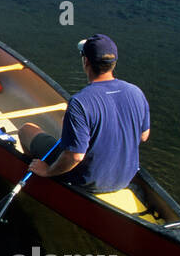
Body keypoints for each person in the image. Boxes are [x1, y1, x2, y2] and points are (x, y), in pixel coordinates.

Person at [19, 34, 150, 194]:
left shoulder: (80, 102)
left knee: (27, 130)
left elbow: (75, 157)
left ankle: (35, 178)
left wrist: (48, 171)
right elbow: (144, 136)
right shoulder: (135, 92)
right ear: (113, 63)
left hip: (86, 181)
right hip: (125, 178)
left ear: (86, 61)